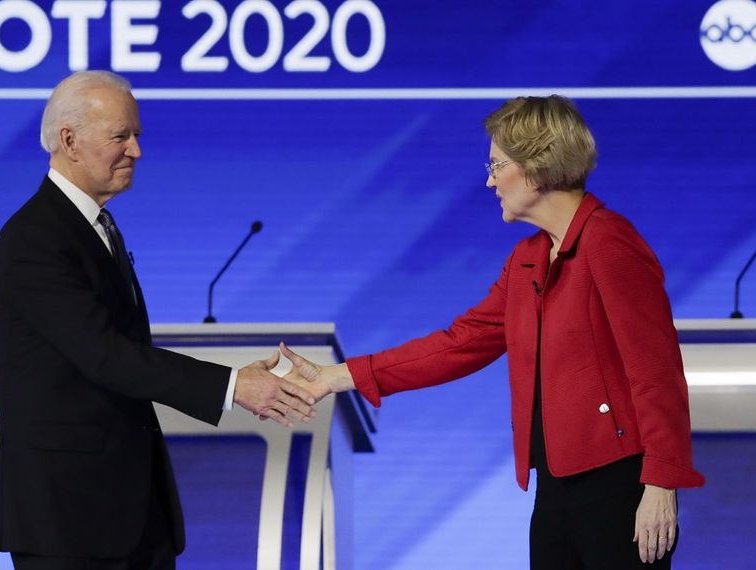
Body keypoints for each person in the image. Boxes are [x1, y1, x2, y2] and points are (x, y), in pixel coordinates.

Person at [281, 95, 704, 569]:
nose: (489, 180)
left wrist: (661, 482)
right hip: (555, 488)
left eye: (497, 165)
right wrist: (337, 376)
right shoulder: (526, 260)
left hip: (618, 485)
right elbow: (458, 344)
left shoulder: (609, 242)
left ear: (537, 166)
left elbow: (657, 371)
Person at [0, 70, 315, 570]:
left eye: (136, 135)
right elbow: (105, 355)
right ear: (69, 141)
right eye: (120, 136)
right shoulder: (35, 239)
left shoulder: (96, 226)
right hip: (70, 521)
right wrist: (232, 386)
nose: (136, 150)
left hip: (133, 513)